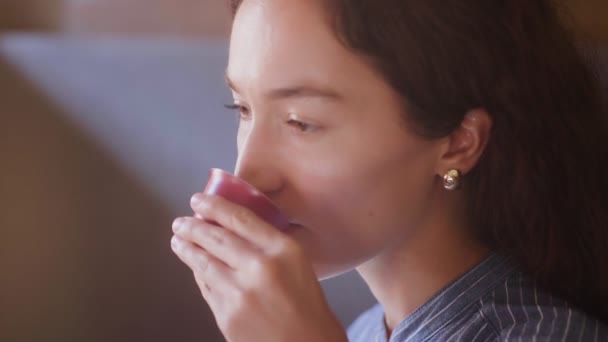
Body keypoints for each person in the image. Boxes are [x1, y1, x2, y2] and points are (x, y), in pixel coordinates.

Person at [170, 0, 608, 341]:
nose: (248, 173)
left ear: (458, 142)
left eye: (302, 122)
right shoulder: (362, 332)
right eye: (242, 108)